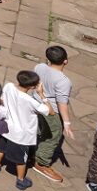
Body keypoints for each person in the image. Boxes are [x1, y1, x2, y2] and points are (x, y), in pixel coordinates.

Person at [0, 70, 54, 191]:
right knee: (21, 159)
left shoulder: (9, 86)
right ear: (32, 86)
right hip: (20, 135)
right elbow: (50, 112)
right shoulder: (31, 101)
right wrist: (42, 94)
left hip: (5, 127)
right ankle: (21, 180)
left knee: (1, 148)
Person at [34, 45, 75, 183]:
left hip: (36, 104)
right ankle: (41, 163)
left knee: (38, 131)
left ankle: (31, 152)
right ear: (65, 61)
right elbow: (62, 103)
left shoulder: (39, 67)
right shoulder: (64, 81)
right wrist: (67, 123)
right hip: (50, 111)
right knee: (53, 136)